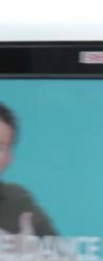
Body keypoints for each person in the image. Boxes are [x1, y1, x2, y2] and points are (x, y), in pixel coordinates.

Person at [0, 101, 58, 238]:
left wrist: (33, 249)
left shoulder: (18, 200)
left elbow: (62, 250)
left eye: (0, 147)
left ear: (9, 158)